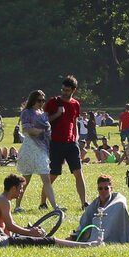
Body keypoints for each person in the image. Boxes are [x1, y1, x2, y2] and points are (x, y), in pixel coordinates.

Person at [44, 76, 86, 209]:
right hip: (55, 142)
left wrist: (76, 137)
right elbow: (44, 121)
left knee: (78, 172)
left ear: (74, 90)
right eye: (63, 89)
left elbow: (74, 121)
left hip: (71, 143)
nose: (64, 92)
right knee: (53, 174)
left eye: (67, 90)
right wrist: (57, 113)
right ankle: (43, 202)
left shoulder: (75, 104)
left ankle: (84, 202)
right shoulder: (53, 102)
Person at [76, 175, 129, 243]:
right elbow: (86, 218)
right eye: (100, 188)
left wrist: (99, 218)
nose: (103, 191)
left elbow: (120, 204)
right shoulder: (95, 204)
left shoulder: (118, 199)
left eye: (106, 188)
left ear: (111, 189)